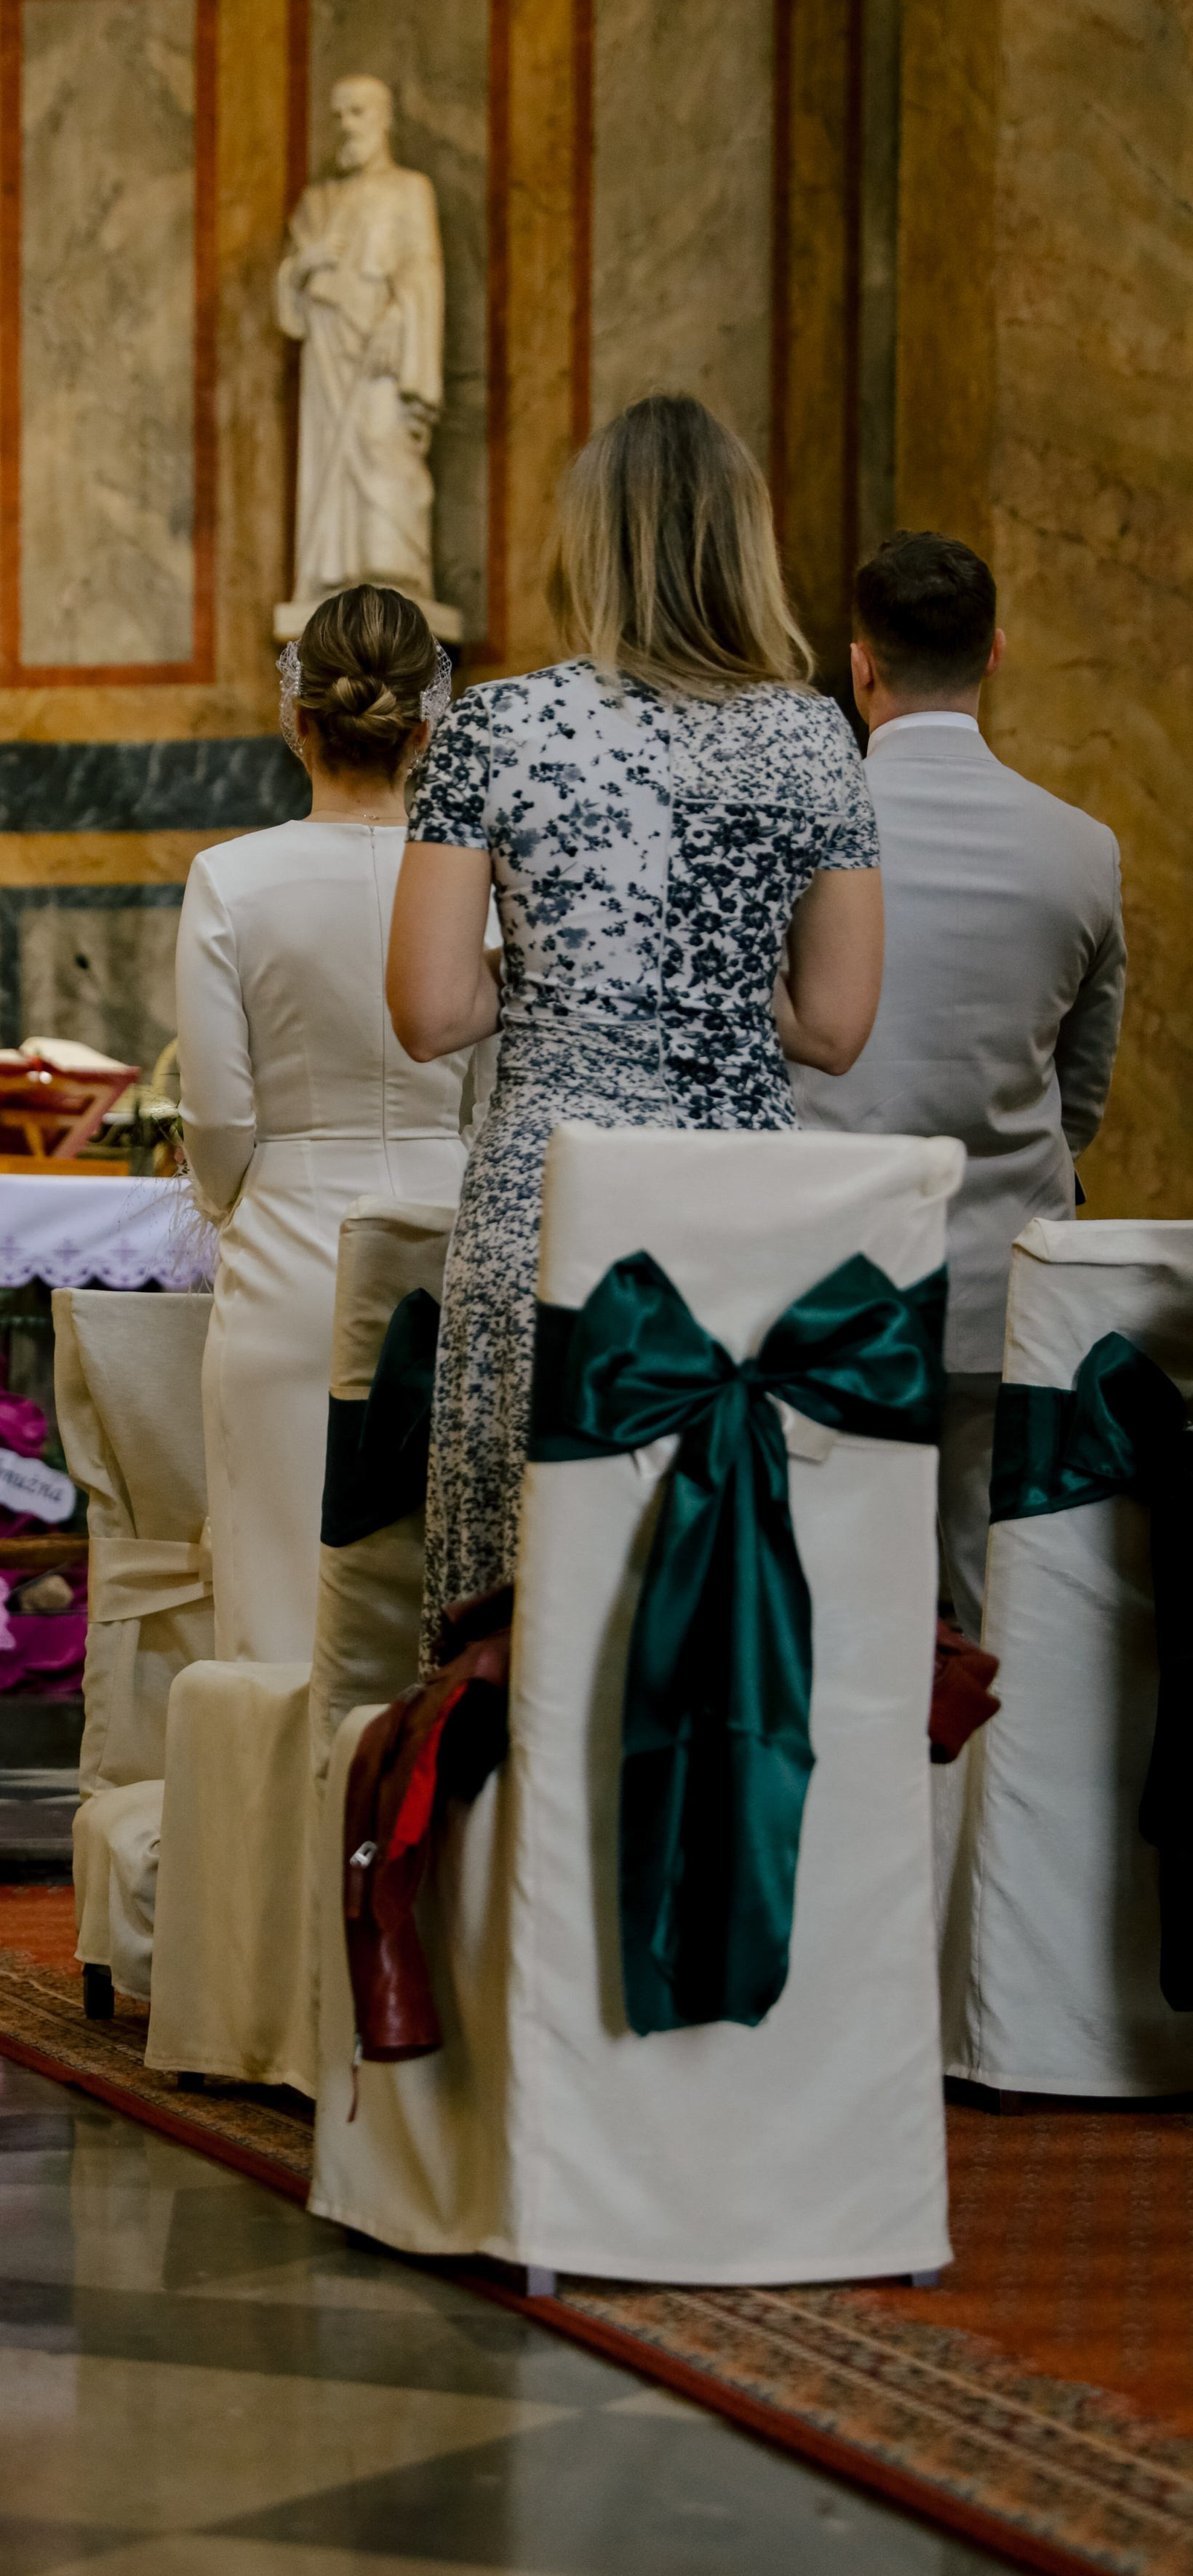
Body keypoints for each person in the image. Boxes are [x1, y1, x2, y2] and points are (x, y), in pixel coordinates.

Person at [387, 391, 884, 1660]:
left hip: (556, 1199)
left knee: (529, 1605)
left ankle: (512, 1858)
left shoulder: (495, 725)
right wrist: (701, 981)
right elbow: (833, 1026)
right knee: (719, 1592)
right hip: (746, 1203)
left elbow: (433, 1010)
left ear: (587, 543)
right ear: (747, 544)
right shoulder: (816, 735)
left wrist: (562, 978)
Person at [792, 532, 1125, 1635]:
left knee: (831, 1609)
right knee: (1000, 1616)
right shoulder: (1081, 849)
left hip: (824, 1276)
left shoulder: (800, 838)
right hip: (1003, 1285)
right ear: (995, 656)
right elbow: (1080, 1092)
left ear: (859, 665)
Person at [176, 585, 486, 1661]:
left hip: (291, 1258)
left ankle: (275, 1829)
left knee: (279, 1620)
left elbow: (217, 1114)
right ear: (423, 727)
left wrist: (231, 1205)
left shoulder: (230, 879)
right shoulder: (482, 886)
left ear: (297, 719)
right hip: (455, 1250)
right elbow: (495, 1088)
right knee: (440, 1617)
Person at [275, 77, 446, 617]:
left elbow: (424, 268)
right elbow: (289, 290)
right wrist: (309, 261)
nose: (347, 124)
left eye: (359, 112)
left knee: (382, 441)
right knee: (331, 450)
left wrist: (401, 319)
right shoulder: (317, 201)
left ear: (385, 117)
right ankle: (335, 571)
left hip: (380, 345)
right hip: (326, 350)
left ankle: (390, 569)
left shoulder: (409, 189)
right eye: (339, 114)